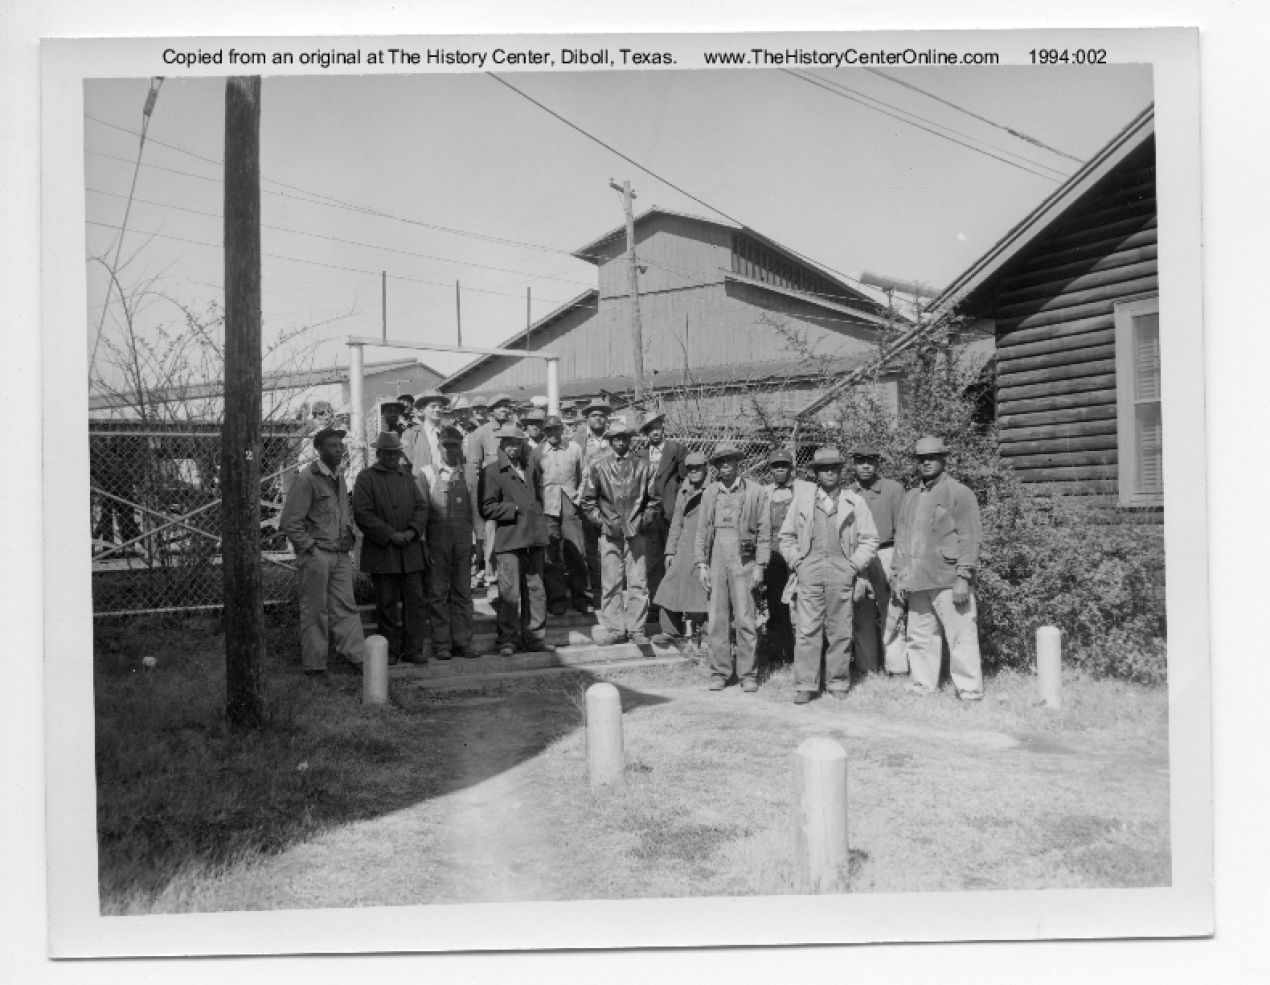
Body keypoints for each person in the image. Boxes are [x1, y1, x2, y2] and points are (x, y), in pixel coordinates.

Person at [778, 446, 879, 704]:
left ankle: (837, 682)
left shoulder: (853, 501)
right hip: (809, 570)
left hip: (841, 569)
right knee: (807, 629)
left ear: (840, 471)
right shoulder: (802, 501)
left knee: (840, 628)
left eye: (834, 468)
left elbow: (870, 539)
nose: (829, 473)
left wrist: (853, 566)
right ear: (815, 473)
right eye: (824, 468)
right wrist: (797, 562)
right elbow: (786, 537)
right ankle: (806, 685)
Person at [891, 436, 985, 701]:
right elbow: (901, 538)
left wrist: (963, 577)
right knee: (920, 635)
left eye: (932, 457)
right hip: (917, 580)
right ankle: (923, 683)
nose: (926, 462)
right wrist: (898, 573)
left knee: (961, 635)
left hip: (949, 579)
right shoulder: (910, 497)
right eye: (921, 459)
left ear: (944, 459)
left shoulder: (959, 493)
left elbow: (970, 537)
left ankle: (969, 689)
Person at [279, 426, 366, 675]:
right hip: (317, 556)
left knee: (346, 607)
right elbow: (290, 522)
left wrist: (348, 541)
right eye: (332, 445)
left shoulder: (338, 477)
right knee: (316, 610)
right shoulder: (306, 479)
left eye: (341, 445)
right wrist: (311, 549)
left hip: (339, 554)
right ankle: (315, 667)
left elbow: (342, 515)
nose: (339, 449)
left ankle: (358, 659)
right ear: (319, 449)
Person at [693, 443, 770, 692]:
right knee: (717, 618)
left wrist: (760, 565)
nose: (725, 465)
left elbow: (764, 531)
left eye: (730, 460)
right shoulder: (710, 493)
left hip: (743, 560)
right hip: (717, 558)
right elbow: (702, 531)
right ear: (715, 467)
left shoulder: (755, 492)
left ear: (738, 463)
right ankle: (720, 672)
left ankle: (748, 674)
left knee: (745, 617)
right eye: (720, 461)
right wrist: (701, 564)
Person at [352, 431, 430, 664]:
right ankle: (390, 652)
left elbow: (421, 507)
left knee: (415, 602)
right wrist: (389, 535)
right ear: (379, 454)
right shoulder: (366, 478)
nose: (392, 457)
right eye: (387, 453)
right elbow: (362, 513)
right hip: (383, 552)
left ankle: (413, 649)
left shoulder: (408, 477)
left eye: (396, 453)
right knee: (385, 604)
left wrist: (412, 531)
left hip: (410, 551)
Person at [580, 419, 659, 646]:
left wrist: (642, 522)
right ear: (610, 442)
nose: (620, 442)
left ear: (630, 440)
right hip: (610, 532)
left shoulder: (644, 466)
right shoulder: (599, 466)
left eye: (624, 438)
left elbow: (654, 501)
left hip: (636, 533)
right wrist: (603, 522)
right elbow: (587, 501)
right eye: (616, 439)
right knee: (611, 582)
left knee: (637, 582)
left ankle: (637, 629)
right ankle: (615, 629)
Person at [479, 422, 554, 657]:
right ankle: (507, 641)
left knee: (536, 590)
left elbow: (539, 498)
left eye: (517, 443)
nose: (513, 448)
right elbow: (486, 508)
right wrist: (514, 508)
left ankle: (534, 639)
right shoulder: (492, 471)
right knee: (509, 592)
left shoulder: (532, 467)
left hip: (533, 538)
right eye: (508, 444)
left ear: (523, 445)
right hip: (510, 540)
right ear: (502, 445)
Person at [417, 426, 476, 660]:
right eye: (446, 445)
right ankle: (442, 644)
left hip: (463, 541)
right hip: (436, 542)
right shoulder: (427, 474)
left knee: (463, 592)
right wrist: (422, 543)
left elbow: (475, 512)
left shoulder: (469, 473)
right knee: (438, 593)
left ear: (460, 446)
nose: (450, 449)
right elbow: (421, 512)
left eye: (455, 445)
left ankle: (463, 642)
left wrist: (477, 541)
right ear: (439, 446)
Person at [849, 444, 907, 675]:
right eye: (860, 461)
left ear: (877, 464)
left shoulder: (893, 489)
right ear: (853, 464)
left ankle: (897, 668)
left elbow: (902, 530)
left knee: (892, 611)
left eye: (870, 461)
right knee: (861, 611)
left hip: (886, 552)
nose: (865, 466)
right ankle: (867, 667)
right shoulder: (847, 493)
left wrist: (899, 565)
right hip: (858, 556)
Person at [651, 450, 710, 646]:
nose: (693, 472)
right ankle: (670, 630)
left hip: (703, 548)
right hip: (683, 547)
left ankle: (705, 635)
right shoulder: (684, 489)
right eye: (690, 468)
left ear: (705, 468)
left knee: (701, 594)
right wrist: (670, 550)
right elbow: (676, 521)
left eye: (697, 468)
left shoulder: (713, 490)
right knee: (669, 587)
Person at [534, 414, 589, 615]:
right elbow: (533, 480)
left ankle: (582, 598)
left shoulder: (573, 448)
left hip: (569, 502)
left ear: (562, 429)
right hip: (547, 505)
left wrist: (578, 499)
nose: (553, 434)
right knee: (551, 554)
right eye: (548, 430)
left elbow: (584, 474)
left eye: (556, 429)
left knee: (577, 551)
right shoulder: (537, 452)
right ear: (544, 432)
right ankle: (557, 599)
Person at [466, 393, 516, 593]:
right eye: (499, 406)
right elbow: (473, 468)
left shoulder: (515, 431)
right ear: (491, 411)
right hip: (491, 494)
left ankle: (508, 577)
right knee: (491, 534)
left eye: (506, 406)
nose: (504, 410)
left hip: (512, 493)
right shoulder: (480, 433)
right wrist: (478, 498)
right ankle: (490, 576)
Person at [636, 411, 687, 613]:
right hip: (649, 514)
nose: (655, 432)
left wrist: (680, 506)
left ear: (663, 428)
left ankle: (676, 607)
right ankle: (656, 608)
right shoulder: (640, 455)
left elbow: (686, 481)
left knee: (673, 558)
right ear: (646, 434)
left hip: (671, 511)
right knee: (652, 561)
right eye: (650, 429)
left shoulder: (677, 450)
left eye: (657, 428)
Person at [571, 399, 612, 608]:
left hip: (610, 499)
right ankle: (592, 589)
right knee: (588, 545)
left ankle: (609, 589)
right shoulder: (578, 439)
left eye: (602, 415)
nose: (598, 418)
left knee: (610, 543)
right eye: (594, 415)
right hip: (586, 498)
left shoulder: (614, 437)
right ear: (587, 418)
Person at [762, 448, 800, 663]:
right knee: (776, 606)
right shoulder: (764, 493)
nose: (779, 470)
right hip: (772, 557)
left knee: (798, 607)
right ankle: (779, 654)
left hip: (794, 556)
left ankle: (800, 655)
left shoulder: (801, 492)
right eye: (776, 466)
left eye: (783, 466)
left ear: (791, 468)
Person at [407, 388, 449, 470]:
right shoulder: (412, 433)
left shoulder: (449, 432)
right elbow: (405, 465)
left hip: (446, 480)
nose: (437, 409)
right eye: (433, 406)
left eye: (440, 407)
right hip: (421, 481)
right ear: (423, 410)